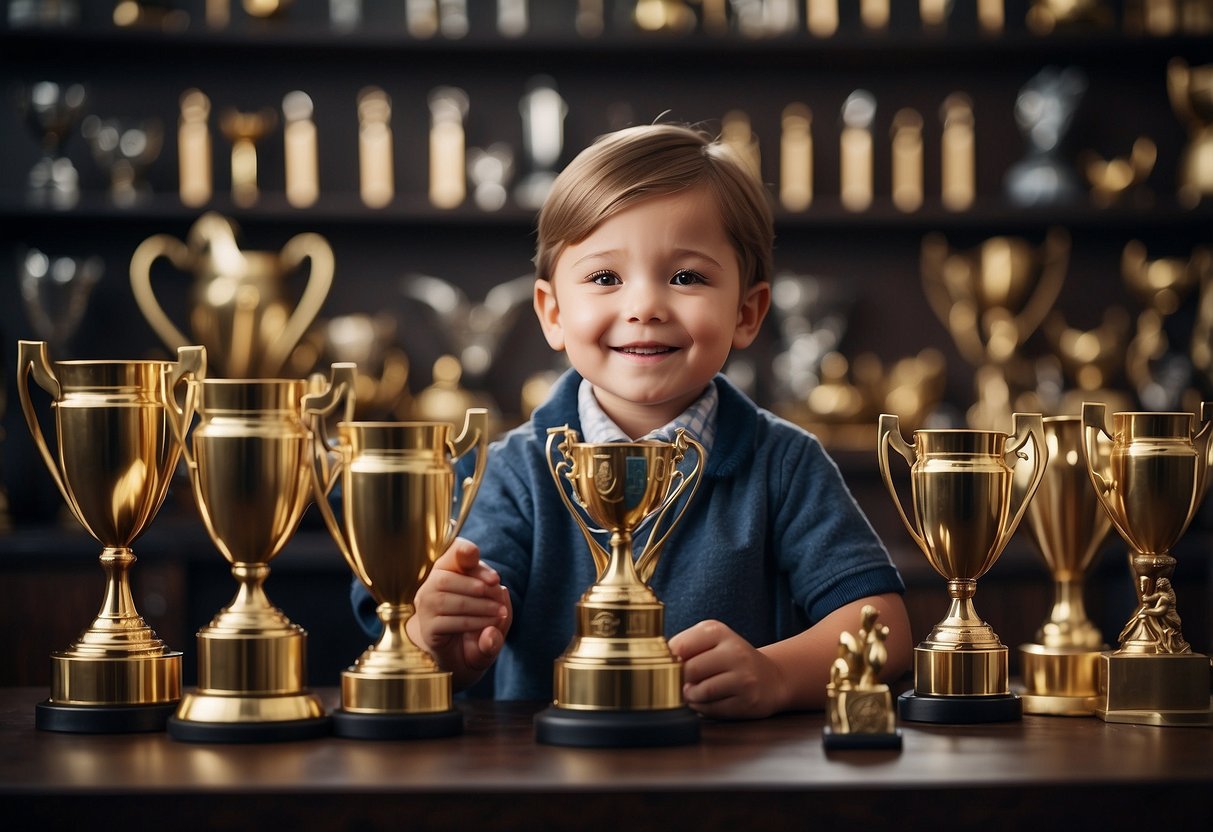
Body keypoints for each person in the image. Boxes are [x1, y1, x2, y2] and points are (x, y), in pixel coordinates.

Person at [352, 122, 912, 718]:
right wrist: (440, 631)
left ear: (747, 313)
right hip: (549, 785)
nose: (644, 306)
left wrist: (776, 674)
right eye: (604, 278)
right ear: (553, 312)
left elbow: (886, 627)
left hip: (735, 790)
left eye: (686, 277)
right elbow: (458, 656)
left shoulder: (784, 462)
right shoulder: (511, 470)